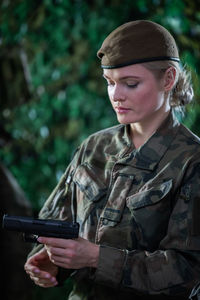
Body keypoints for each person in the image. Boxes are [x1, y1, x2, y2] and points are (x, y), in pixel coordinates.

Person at [24, 20, 200, 300]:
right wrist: (52, 260)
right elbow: (56, 222)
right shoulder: (93, 147)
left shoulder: (191, 161)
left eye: (130, 84)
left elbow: (187, 271)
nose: (116, 96)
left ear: (168, 79)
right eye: (110, 83)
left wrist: (96, 257)